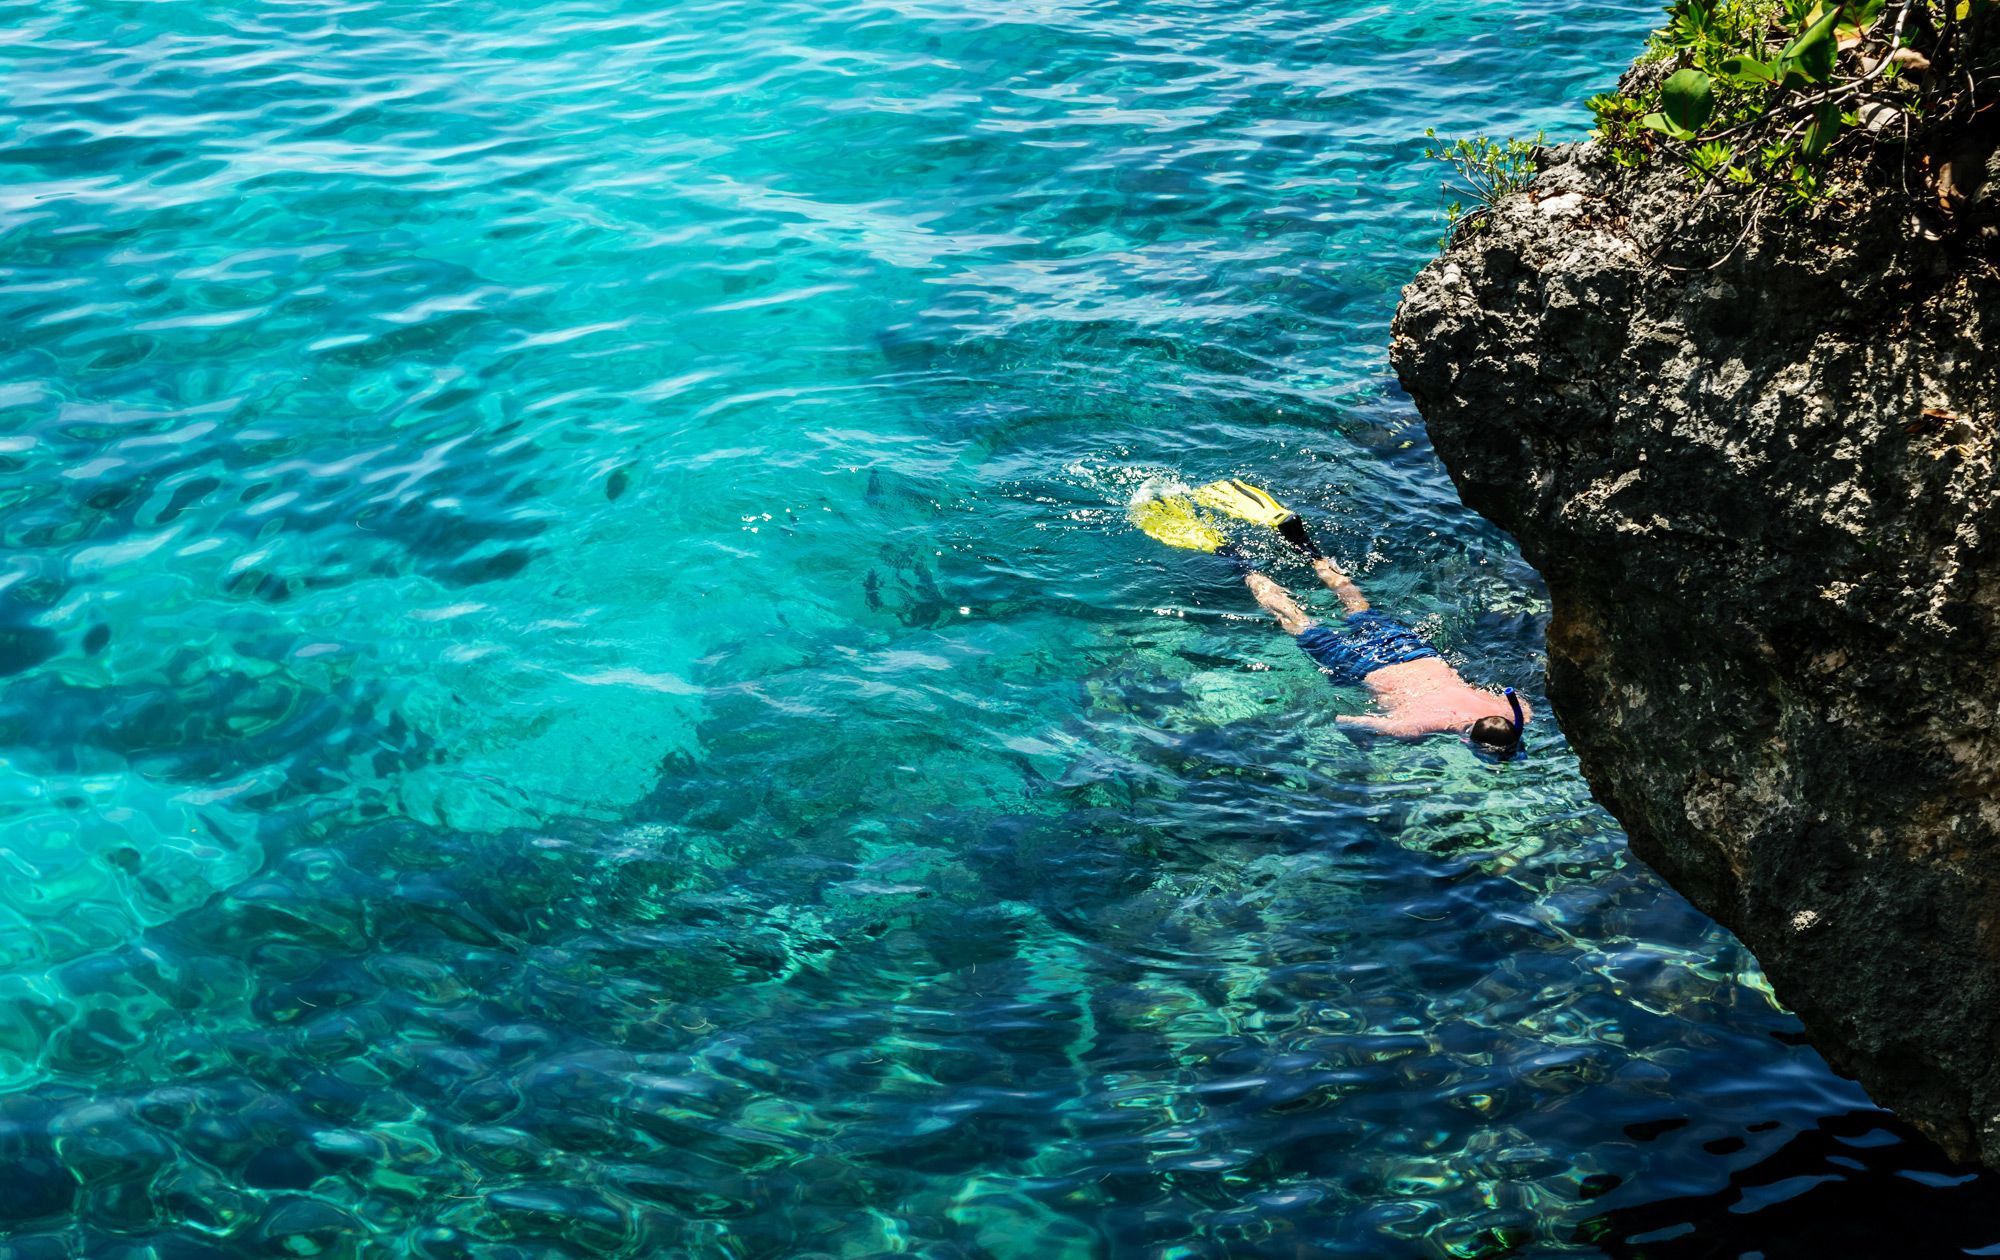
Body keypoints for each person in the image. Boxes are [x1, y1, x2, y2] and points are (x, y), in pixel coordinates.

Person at [1131, 480, 1529, 756]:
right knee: (1296, 619)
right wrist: (1371, 736)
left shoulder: (1516, 712)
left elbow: (1517, 703)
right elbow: (1345, 719)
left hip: (1414, 651)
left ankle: (1303, 544)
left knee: (1355, 602)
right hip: (1362, 668)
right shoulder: (1418, 727)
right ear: (1466, 742)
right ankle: (1234, 556)